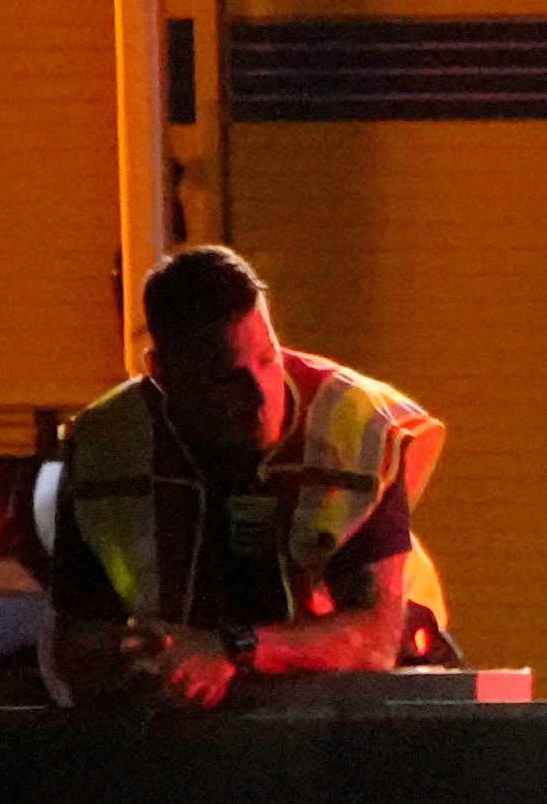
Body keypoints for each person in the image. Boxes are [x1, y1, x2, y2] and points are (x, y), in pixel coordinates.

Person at [30, 246, 447, 712]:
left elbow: (375, 638)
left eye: (269, 359)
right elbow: (71, 644)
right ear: (161, 374)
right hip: (188, 716)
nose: (259, 395)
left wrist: (232, 648)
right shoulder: (104, 449)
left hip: (363, 704)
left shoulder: (355, 428)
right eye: (227, 379)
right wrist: (135, 660)